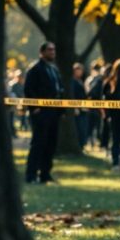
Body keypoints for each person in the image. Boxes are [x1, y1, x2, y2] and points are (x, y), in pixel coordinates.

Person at [24, 42, 64, 184]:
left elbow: (59, 89)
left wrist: (61, 109)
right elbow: (28, 89)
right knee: (38, 144)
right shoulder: (35, 69)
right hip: (41, 113)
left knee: (50, 144)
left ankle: (45, 174)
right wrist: (35, 108)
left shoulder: (53, 69)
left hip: (53, 113)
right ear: (42, 52)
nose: (52, 52)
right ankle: (31, 175)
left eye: (54, 49)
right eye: (49, 50)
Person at [84, 61, 104, 148]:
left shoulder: (99, 79)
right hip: (92, 106)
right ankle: (91, 142)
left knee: (97, 125)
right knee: (91, 125)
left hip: (97, 106)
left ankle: (96, 142)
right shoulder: (91, 79)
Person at [72, 63, 89, 149]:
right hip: (78, 109)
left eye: (81, 70)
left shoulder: (81, 81)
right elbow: (73, 95)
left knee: (83, 128)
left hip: (83, 108)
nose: (80, 72)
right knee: (79, 128)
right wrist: (75, 108)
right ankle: (80, 145)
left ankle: (82, 145)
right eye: (78, 70)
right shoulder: (73, 82)